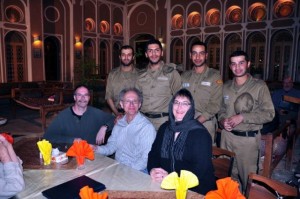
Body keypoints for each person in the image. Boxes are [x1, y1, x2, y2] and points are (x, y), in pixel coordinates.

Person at [218, 50, 275, 192]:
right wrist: (222, 120)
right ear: (230, 67)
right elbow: (220, 111)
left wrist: (243, 117)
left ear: (248, 64)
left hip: (247, 142)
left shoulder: (259, 86)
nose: (237, 67)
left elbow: (269, 114)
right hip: (227, 138)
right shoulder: (225, 87)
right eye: (233, 64)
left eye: (241, 63)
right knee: (227, 179)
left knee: (249, 182)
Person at [147, 88, 216, 195]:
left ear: (191, 108)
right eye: (176, 102)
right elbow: (153, 154)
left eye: (185, 103)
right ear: (171, 105)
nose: (179, 107)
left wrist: (172, 179)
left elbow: (199, 170)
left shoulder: (200, 134)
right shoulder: (164, 128)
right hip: (166, 185)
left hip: (197, 189)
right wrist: (153, 170)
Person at [94, 88, 156, 172]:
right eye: (127, 101)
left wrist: (126, 172)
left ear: (139, 104)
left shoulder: (146, 128)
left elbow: (145, 160)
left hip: (138, 171)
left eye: (135, 101)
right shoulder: (119, 123)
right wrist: (96, 149)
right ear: (121, 104)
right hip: (118, 167)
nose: (131, 104)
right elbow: (112, 146)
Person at [44, 84, 114, 145]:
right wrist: (72, 140)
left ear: (89, 98)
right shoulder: (63, 116)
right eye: (79, 95)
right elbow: (48, 137)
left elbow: (114, 119)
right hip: (71, 155)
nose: (83, 98)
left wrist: (105, 127)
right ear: (74, 97)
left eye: (86, 95)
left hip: (92, 154)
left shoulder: (96, 113)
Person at [181, 41, 223, 143]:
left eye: (201, 53)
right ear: (190, 55)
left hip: (205, 123)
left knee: (204, 156)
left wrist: (196, 121)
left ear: (206, 55)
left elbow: (216, 104)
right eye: (194, 53)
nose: (198, 57)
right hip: (185, 121)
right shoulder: (184, 76)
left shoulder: (214, 76)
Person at [136, 39, 181, 130]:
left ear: (162, 53)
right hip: (143, 120)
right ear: (146, 54)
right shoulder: (140, 75)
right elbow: (136, 98)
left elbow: (180, 98)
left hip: (163, 121)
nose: (154, 54)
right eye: (150, 51)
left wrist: (178, 120)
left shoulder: (171, 73)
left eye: (157, 50)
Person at [105, 45, 139, 118]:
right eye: (123, 55)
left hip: (136, 116)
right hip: (116, 115)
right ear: (120, 57)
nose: (126, 58)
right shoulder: (112, 74)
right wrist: (117, 114)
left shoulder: (140, 75)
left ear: (133, 57)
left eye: (129, 55)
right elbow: (108, 97)